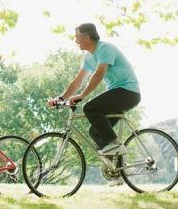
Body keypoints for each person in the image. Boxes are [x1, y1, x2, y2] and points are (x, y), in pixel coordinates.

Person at [49, 23, 141, 161]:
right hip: (117, 93)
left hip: (128, 92)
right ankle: (117, 171)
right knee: (95, 132)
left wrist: (82, 95)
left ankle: (115, 144)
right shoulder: (88, 57)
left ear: (87, 37)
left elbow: (99, 74)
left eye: (77, 37)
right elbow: (78, 80)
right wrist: (61, 98)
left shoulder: (105, 49)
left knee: (90, 108)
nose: (75, 41)